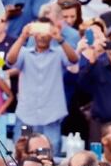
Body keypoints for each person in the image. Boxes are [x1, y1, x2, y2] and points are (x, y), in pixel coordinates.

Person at [6, 17, 78, 151]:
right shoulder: (25, 53)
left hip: (51, 115)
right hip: (26, 114)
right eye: (39, 32)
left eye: (46, 32)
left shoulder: (59, 52)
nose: (42, 37)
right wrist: (23, 37)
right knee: (22, 151)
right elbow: (10, 61)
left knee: (50, 154)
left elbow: (73, 60)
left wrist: (60, 38)